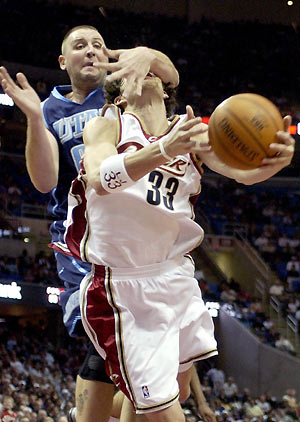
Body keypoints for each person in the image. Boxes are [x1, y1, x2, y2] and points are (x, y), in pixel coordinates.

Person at [59, 67, 294, 421]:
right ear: (120, 96)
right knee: (164, 410)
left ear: (168, 92)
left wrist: (275, 162)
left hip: (176, 276)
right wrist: (164, 149)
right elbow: (99, 177)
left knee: (177, 390)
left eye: (154, 70)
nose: (147, 71)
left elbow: (243, 173)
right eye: (137, 72)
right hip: (122, 284)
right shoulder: (108, 125)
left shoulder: (190, 132)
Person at [0, 25, 179, 422]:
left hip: (135, 237)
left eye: (98, 44)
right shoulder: (49, 109)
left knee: (157, 376)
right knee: (111, 345)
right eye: (80, 46)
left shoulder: (122, 91)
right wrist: (33, 117)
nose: (92, 51)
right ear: (64, 62)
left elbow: (169, 77)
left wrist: (146, 53)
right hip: (82, 244)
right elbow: (44, 181)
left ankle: (88, 414)